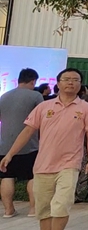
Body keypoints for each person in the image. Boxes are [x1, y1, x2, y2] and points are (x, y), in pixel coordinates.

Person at [0, 68, 88, 230]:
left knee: (62, 205)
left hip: (69, 164)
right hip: (43, 165)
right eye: (67, 79)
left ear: (80, 85)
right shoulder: (44, 107)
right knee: (44, 210)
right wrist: (10, 154)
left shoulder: (86, 109)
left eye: (75, 80)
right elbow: (27, 131)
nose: (71, 82)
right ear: (58, 83)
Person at [0, 68, 45, 218]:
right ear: (33, 81)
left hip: (4, 145)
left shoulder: (4, 96)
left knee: (7, 176)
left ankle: (8, 210)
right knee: (32, 176)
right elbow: (42, 118)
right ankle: (33, 210)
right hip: (29, 145)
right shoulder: (36, 96)